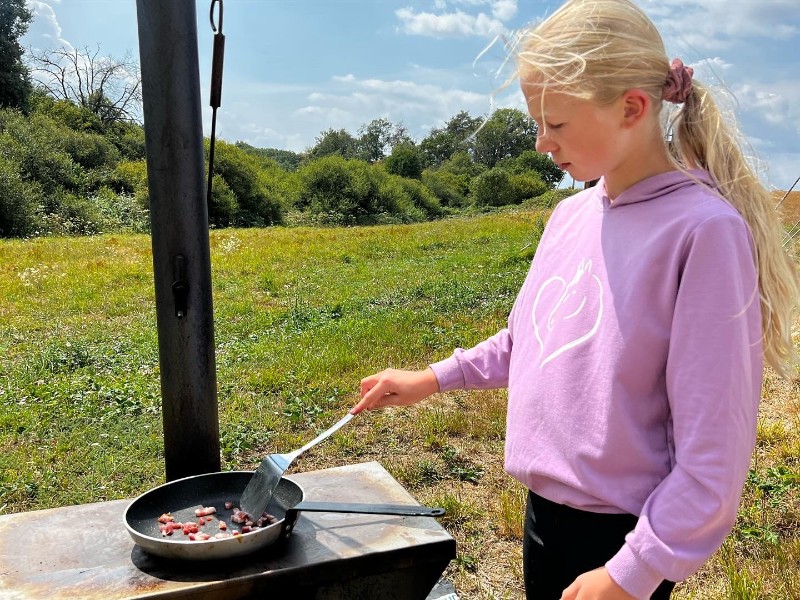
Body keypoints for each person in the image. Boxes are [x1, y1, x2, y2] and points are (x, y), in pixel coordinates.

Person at [351, 0, 800, 598]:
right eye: (537, 124)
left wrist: (631, 572)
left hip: (623, 539)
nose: (542, 144)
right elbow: (528, 340)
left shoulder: (703, 232)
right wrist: (431, 379)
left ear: (632, 108)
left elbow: (713, 453)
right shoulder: (569, 215)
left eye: (556, 125)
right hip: (543, 515)